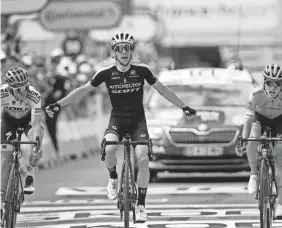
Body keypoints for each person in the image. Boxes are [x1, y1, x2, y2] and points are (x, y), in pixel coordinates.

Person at [45, 32, 197, 223]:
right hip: (117, 120)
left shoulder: (143, 70)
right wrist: (58, 104)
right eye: (120, 49)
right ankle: (113, 177)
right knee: (109, 149)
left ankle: (141, 205)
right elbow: (82, 90)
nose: (124, 52)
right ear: (114, 53)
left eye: (127, 48)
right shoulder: (105, 73)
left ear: (132, 52)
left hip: (137, 122)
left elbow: (163, 90)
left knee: (142, 160)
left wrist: (184, 107)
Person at [236, 63, 282, 218]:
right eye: (269, 82)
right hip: (260, 120)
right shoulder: (256, 94)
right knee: (252, 138)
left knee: (278, 156)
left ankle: (280, 204)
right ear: (264, 82)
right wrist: (243, 138)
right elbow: (248, 120)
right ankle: (254, 174)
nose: (273, 87)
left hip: (279, 122)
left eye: (277, 84)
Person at [1, 67, 44, 205]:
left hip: (28, 121)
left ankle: (31, 172)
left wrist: (35, 141)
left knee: (36, 144)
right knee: (5, 156)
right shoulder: (2, 93)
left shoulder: (34, 95)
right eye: (19, 89)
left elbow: (36, 123)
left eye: (26, 86)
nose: (24, 92)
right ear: (10, 88)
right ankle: (2, 196)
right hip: (8, 120)